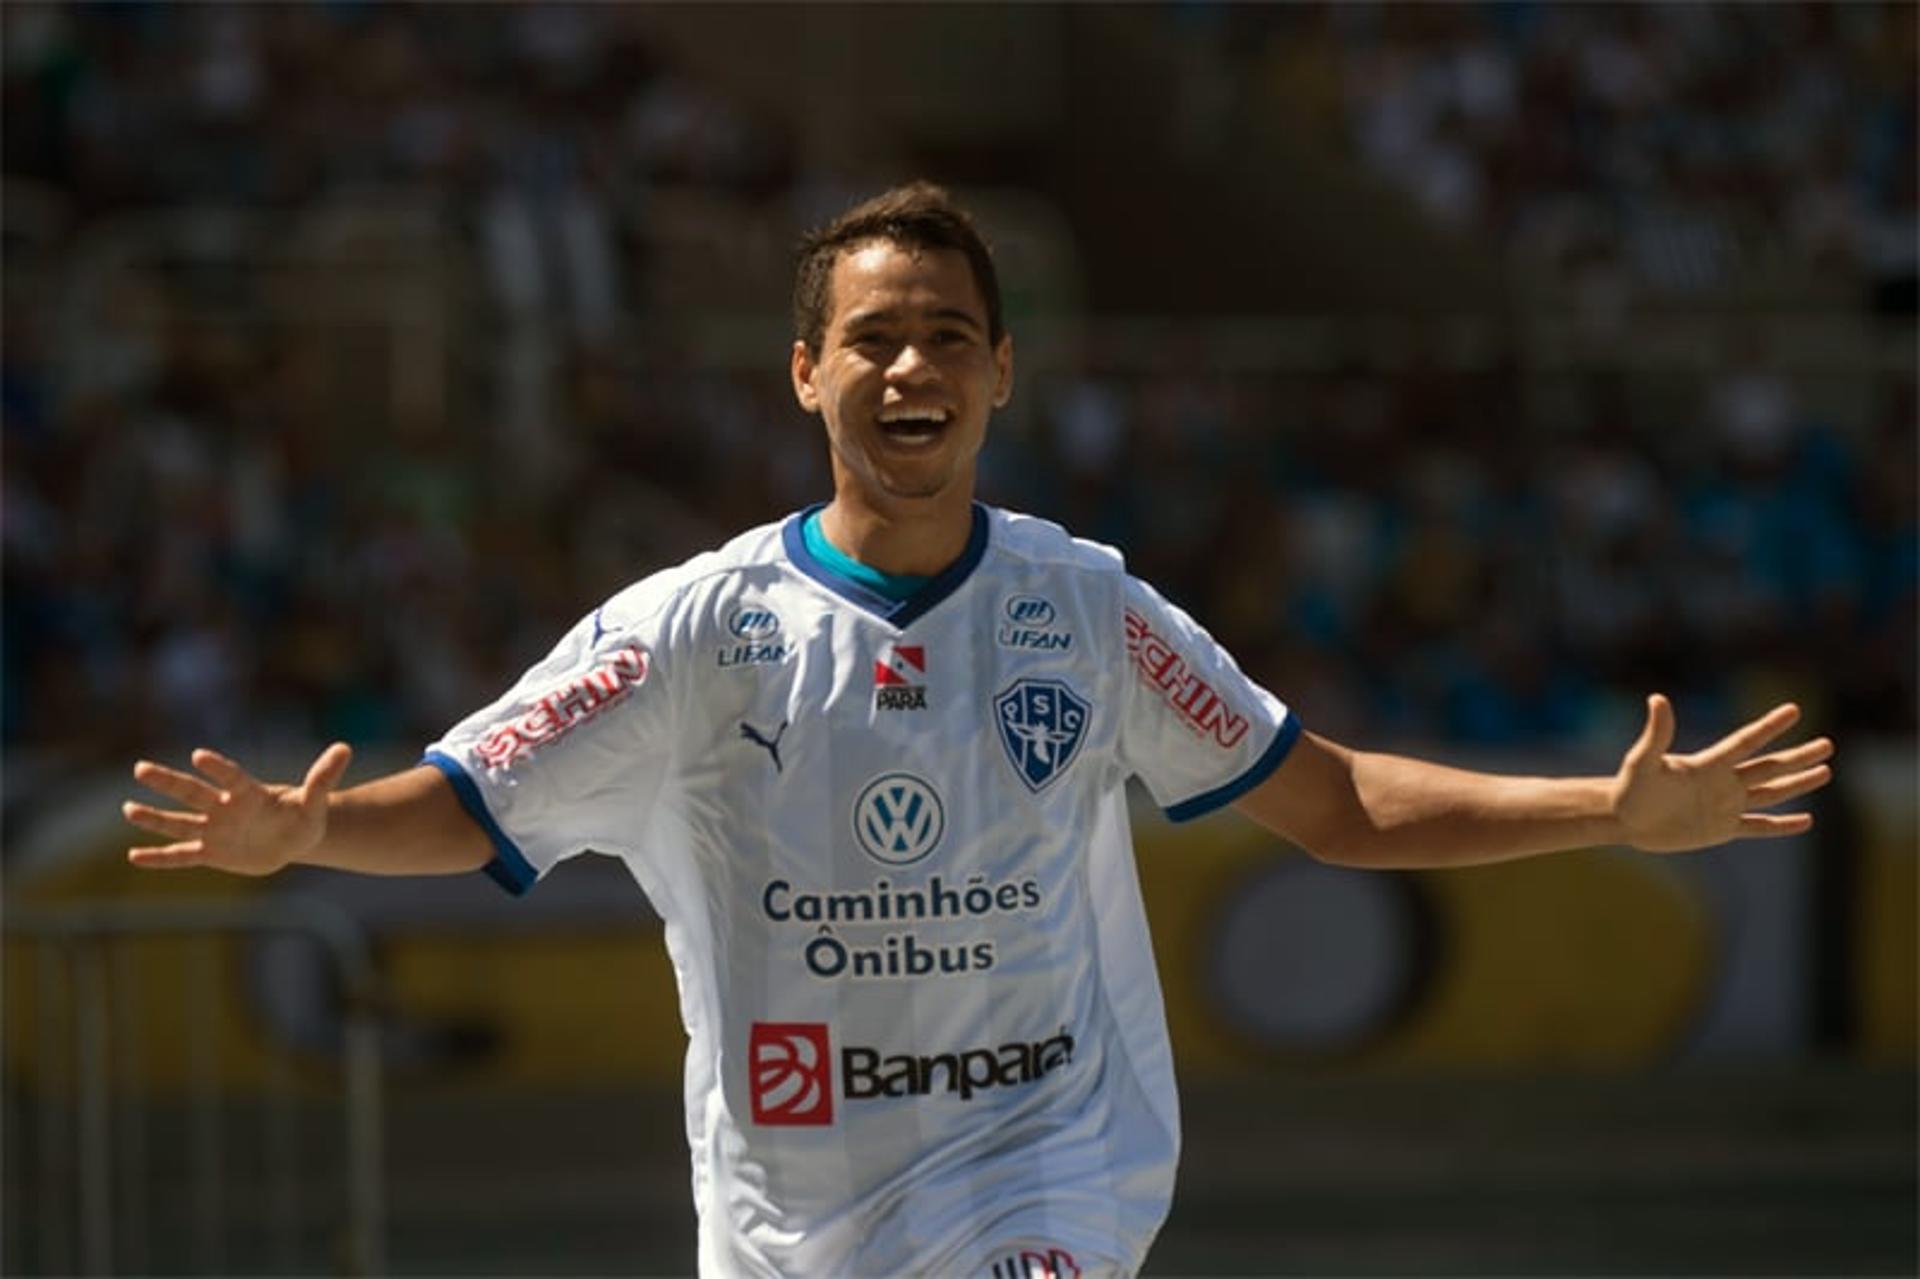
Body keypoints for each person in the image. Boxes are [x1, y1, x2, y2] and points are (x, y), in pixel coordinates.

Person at [124, 182, 1835, 1279]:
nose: (908, 364)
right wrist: (305, 833)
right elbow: (472, 803)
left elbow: (1338, 807)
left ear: (1004, 373)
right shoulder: (699, 631)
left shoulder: (1087, 613)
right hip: (794, 1226)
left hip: (1051, 1182)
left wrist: (1609, 814)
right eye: (871, 338)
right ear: (805, 376)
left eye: (947, 334)